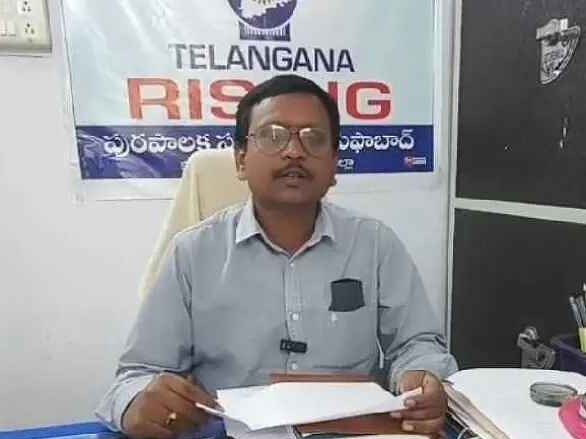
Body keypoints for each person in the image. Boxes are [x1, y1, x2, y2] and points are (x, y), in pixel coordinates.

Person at [96, 74, 458, 438]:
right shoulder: (192, 253)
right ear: (241, 159)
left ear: (334, 164)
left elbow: (417, 344)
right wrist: (137, 404)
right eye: (273, 136)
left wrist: (421, 376)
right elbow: (134, 377)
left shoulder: (375, 243)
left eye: (313, 138)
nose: (294, 152)